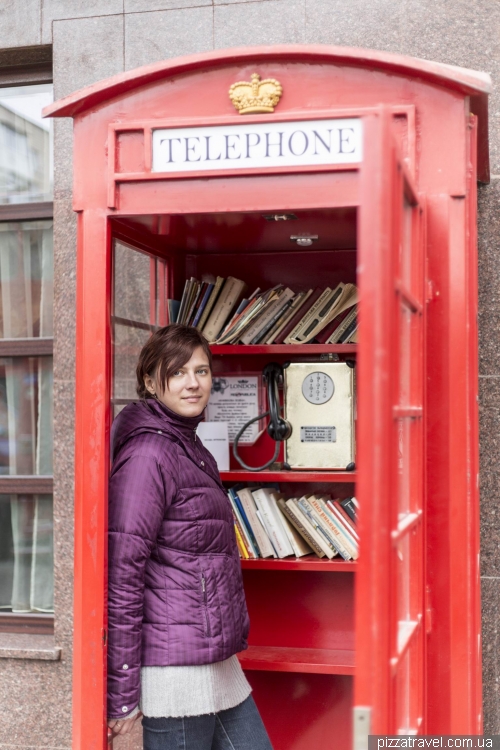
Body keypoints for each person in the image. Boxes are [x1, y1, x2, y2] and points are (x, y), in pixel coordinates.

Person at [106, 324, 274, 750]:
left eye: (201, 371)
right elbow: (123, 576)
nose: (193, 383)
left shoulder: (189, 444)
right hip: (173, 678)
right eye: (178, 372)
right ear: (149, 380)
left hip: (214, 663)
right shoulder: (149, 454)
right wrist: (123, 701)